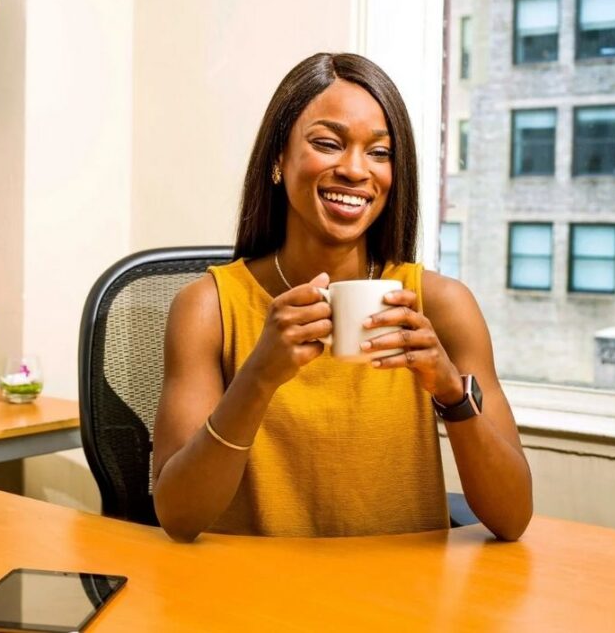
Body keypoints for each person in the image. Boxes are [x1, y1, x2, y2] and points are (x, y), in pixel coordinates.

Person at [152, 52, 532, 542]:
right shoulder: (207, 308)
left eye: (379, 153)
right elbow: (179, 516)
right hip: (255, 601)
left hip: (400, 602)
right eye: (328, 144)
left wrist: (451, 393)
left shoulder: (441, 305)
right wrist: (258, 377)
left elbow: (513, 517)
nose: (356, 170)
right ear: (277, 159)